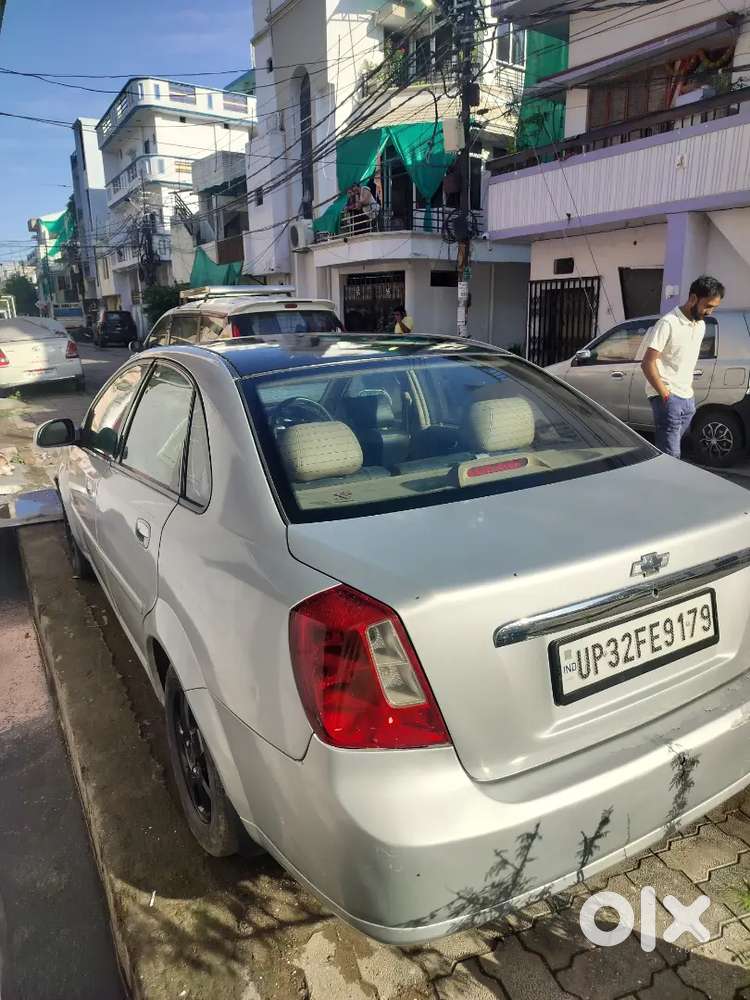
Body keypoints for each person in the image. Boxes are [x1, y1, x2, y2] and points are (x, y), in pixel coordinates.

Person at [641, 274, 725, 458]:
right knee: (672, 455)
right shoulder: (668, 323)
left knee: (669, 453)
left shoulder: (700, 325)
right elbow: (647, 363)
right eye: (708, 306)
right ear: (693, 298)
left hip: (687, 398)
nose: (710, 311)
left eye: (714, 308)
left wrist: (689, 395)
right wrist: (665, 394)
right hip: (668, 397)